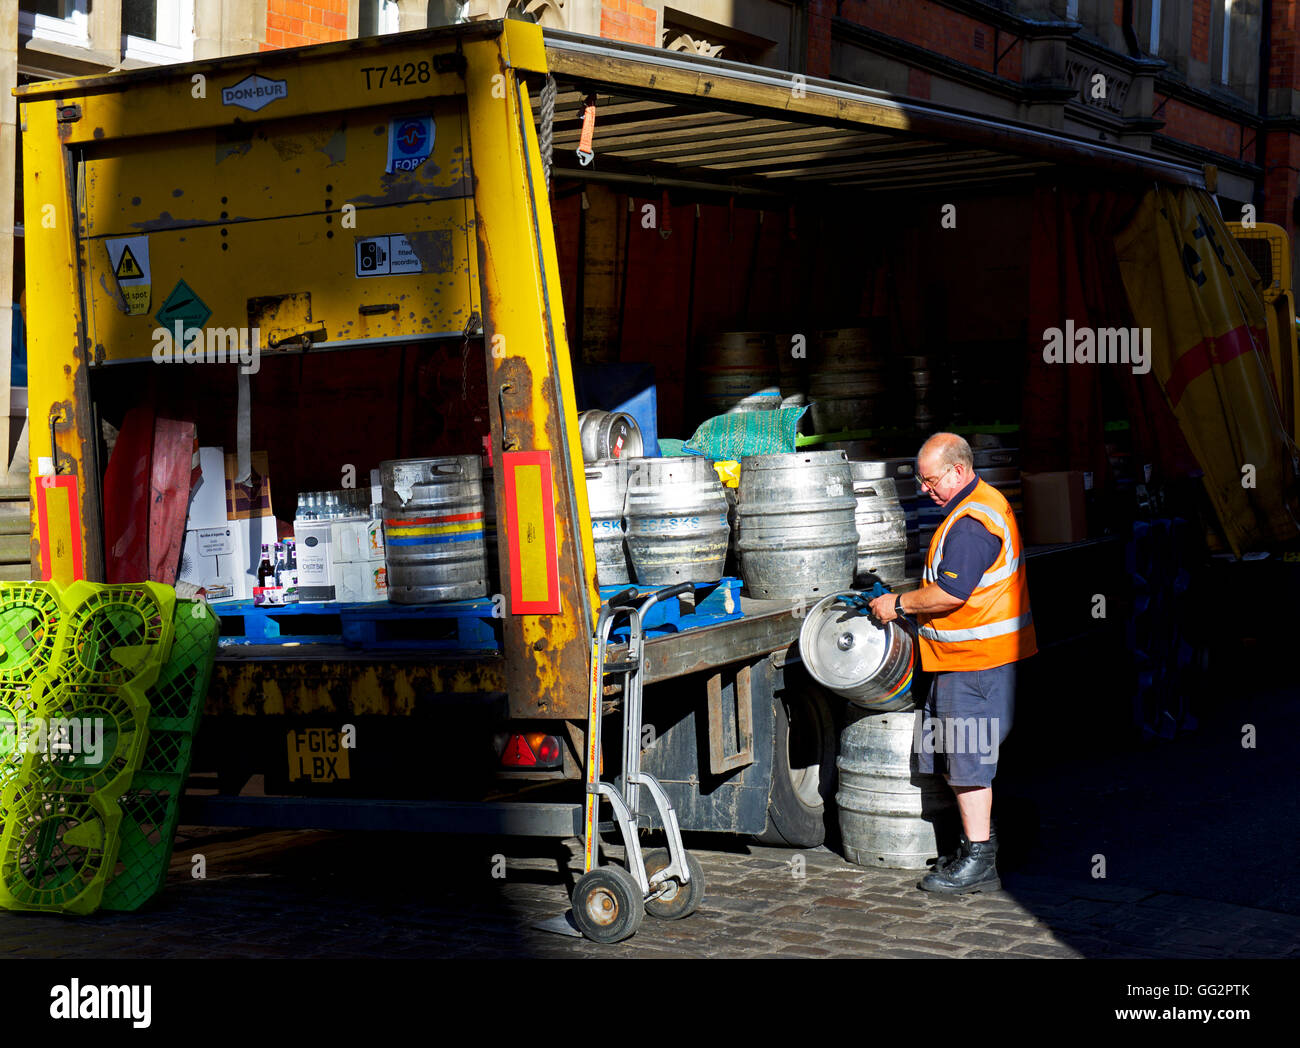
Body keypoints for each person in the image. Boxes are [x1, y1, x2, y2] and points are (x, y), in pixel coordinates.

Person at [868, 432, 1035, 893]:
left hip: (976, 663)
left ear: (958, 471)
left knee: (968, 762)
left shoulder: (971, 521)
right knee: (955, 756)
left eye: (930, 480)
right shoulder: (973, 506)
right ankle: (975, 845)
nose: (925, 490)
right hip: (961, 660)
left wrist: (898, 605)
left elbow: (950, 593)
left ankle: (980, 861)